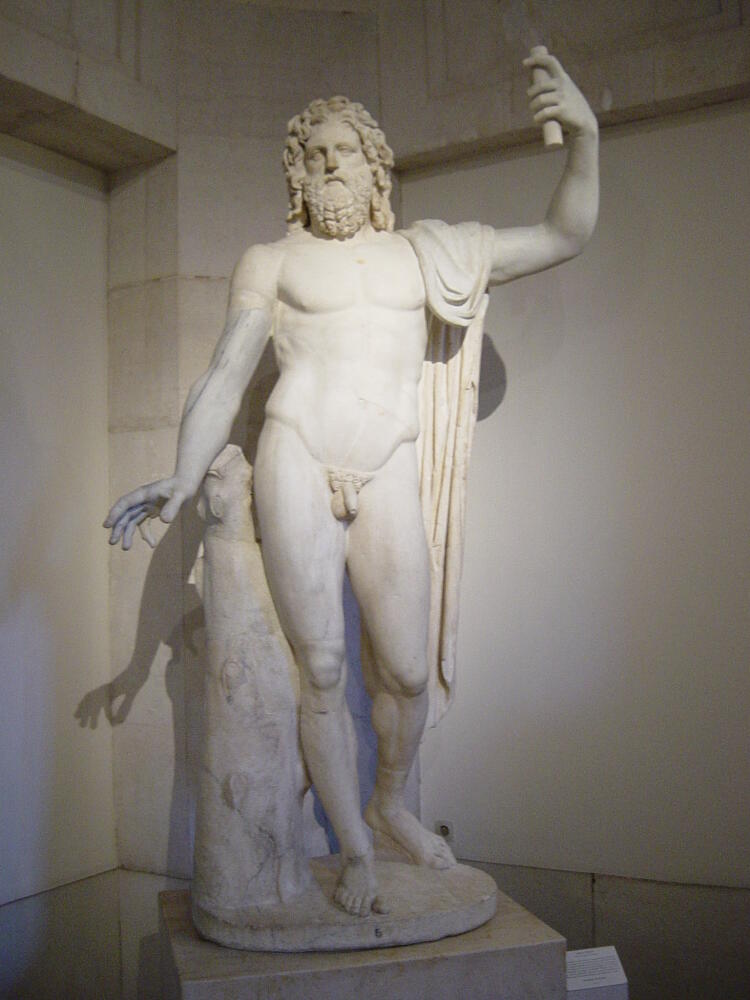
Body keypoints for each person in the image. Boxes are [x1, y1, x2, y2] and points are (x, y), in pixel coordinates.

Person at [105, 51, 599, 917]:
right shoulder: (272, 262)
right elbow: (226, 374)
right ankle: (357, 850)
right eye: (315, 154)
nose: (330, 163)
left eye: (346, 151)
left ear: (377, 168)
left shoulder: (428, 255)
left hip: (388, 464)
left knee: (405, 668)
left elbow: (565, 234)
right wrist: (183, 474)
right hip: (297, 455)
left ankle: (387, 804)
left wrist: (585, 139)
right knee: (324, 667)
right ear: (297, 175)